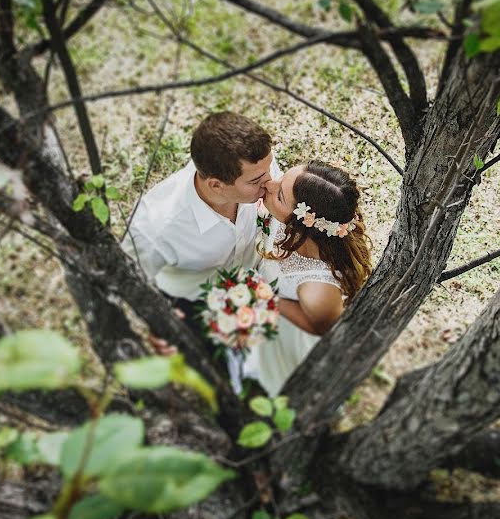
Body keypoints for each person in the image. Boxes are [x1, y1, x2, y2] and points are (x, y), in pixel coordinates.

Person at [121, 112, 281, 335]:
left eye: (269, 168)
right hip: (197, 306)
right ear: (216, 186)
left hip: (263, 280)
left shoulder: (259, 171)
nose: (271, 182)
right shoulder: (155, 228)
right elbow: (125, 281)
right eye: (255, 181)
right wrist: (159, 319)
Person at [245, 160, 373, 396]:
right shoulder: (295, 222)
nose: (270, 185)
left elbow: (320, 327)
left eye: (280, 195)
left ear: (303, 224)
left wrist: (259, 293)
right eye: (281, 179)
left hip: (290, 337)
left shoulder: (318, 290)